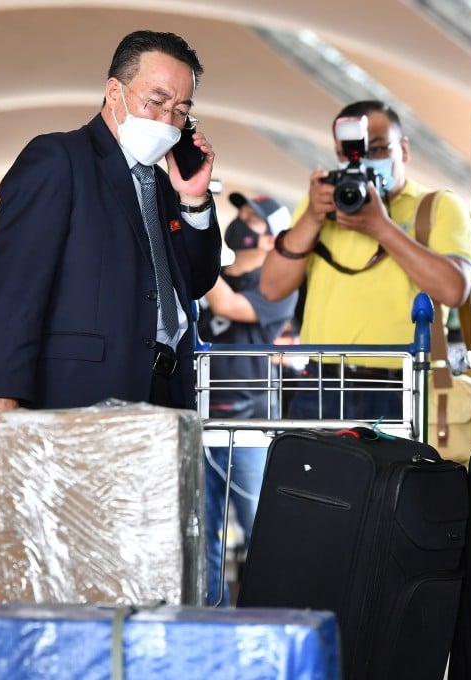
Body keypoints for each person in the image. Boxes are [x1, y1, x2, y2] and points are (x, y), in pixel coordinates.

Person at [0, 30, 221, 454]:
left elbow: (194, 282)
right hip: (80, 393)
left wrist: (194, 199)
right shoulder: (59, 158)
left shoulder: (164, 187)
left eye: (181, 111)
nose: (167, 121)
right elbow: (16, 282)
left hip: (163, 392)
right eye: (156, 102)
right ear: (114, 92)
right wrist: (1, 388)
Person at [259, 100, 471, 420]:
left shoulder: (437, 205)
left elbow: (454, 289)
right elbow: (271, 288)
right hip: (323, 382)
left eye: (377, 149)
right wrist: (312, 218)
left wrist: (382, 227)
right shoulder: (322, 205)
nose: (363, 160)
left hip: (406, 384)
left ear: (404, 149)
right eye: (350, 152)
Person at [197, 192, 297, 605]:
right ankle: (211, 613)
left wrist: (191, 253)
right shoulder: (211, 276)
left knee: (259, 526)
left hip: (251, 425)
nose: (240, 224)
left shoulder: (278, 289)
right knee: (201, 531)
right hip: (200, 418)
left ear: (274, 238)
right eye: (238, 215)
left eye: (252, 221)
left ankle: (265, 612)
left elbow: (227, 305)